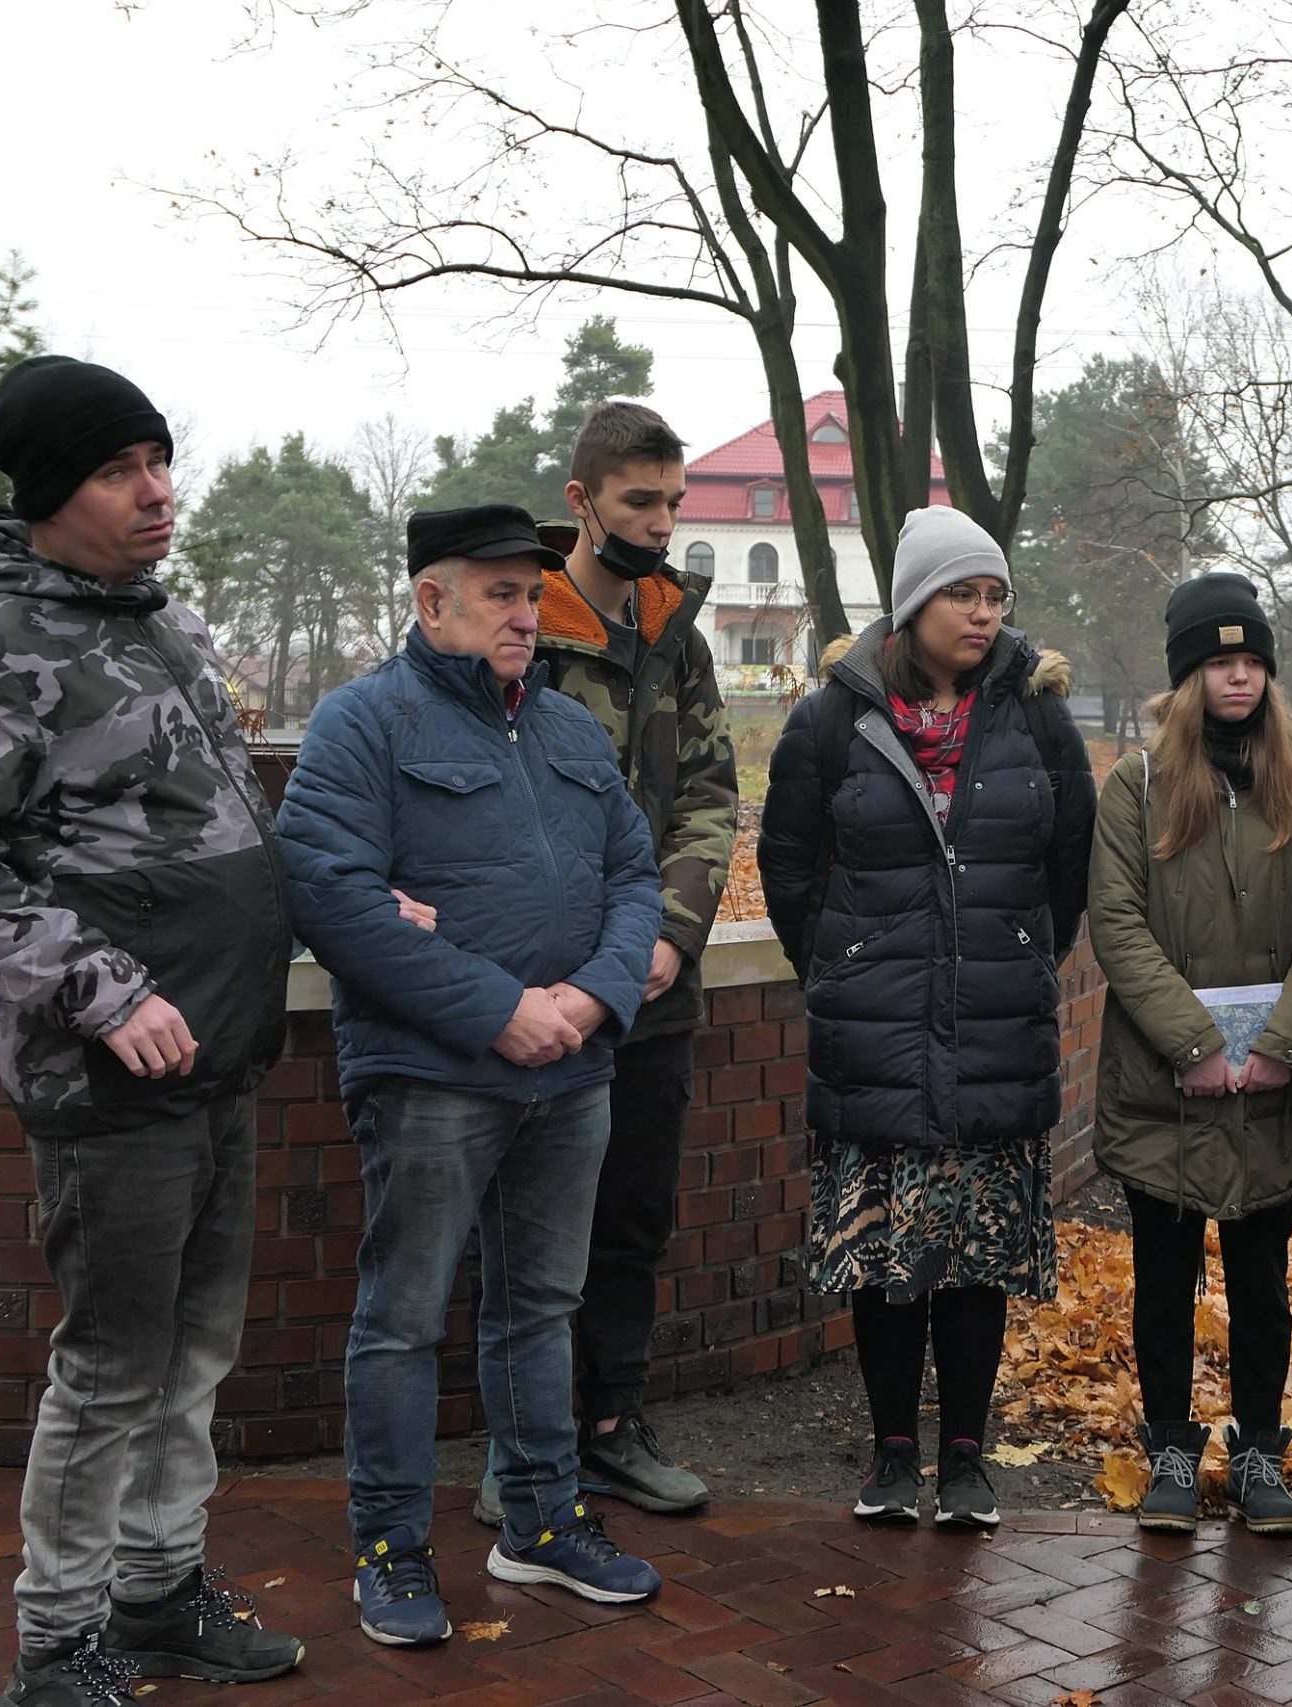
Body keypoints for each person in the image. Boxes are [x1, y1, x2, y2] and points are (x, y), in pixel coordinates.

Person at [0, 357, 304, 1707]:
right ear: (46, 494)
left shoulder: (159, 620)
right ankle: (55, 1640)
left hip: (219, 1051)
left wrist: (318, 901)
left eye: (158, 457)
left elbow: (210, 823)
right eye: (114, 470)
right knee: (109, 1366)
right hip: (115, 1070)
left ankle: (154, 1589)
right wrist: (100, 987)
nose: (155, 491)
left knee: (194, 1351)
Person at [278, 504, 666, 1647]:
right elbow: (334, 899)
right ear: (428, 600)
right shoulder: (362, 726)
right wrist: (501, 1012)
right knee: (402, 1320)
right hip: (432, 1076)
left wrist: (590, 1000)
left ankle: (540, 1523)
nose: (524, 611)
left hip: (573, 1069)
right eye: (497, 591)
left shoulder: (568, 732)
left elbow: (633, 875)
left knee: (538, 1309)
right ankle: (389, 1545)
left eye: (531, 591)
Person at [759, 505, 1095, 1531]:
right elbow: (789, 870)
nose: (984, 614)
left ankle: (966, 1460)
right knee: (882, 1256)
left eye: (995, 596)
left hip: (993, 1021)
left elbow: (1065, 867)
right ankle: (891, 1451)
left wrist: (1022, 954)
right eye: (963, 593)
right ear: (911, 605)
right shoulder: (830, 722)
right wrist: (843, 965)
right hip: (878, 1028)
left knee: (977, 1257)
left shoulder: (1034, 718)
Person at [464, 401, 738, 1530]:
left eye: (673, 502)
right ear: (581, 502)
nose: (663, 523)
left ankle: (614, 1428)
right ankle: (519, 1448)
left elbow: (714, 797)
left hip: (650, 997)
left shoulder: (680, 637)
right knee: (526, 1228)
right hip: (534, 996)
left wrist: (671, 937)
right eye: (640, 502)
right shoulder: (518, 624)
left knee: (630, 1219)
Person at [1087, 573, 1292, 1537]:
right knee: (1163, 1277)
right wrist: (1190, 1039)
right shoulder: (1139, 783)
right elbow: (1114, 918)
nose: (1238, 677)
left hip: (1275, 1083)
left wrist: (1284, 1042)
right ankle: (1170, 1447)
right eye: (1218, 661)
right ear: (1188, 676)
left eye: (1252, 661)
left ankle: (1263, 1447)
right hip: (1165, 1082)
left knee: (1262, 1280)